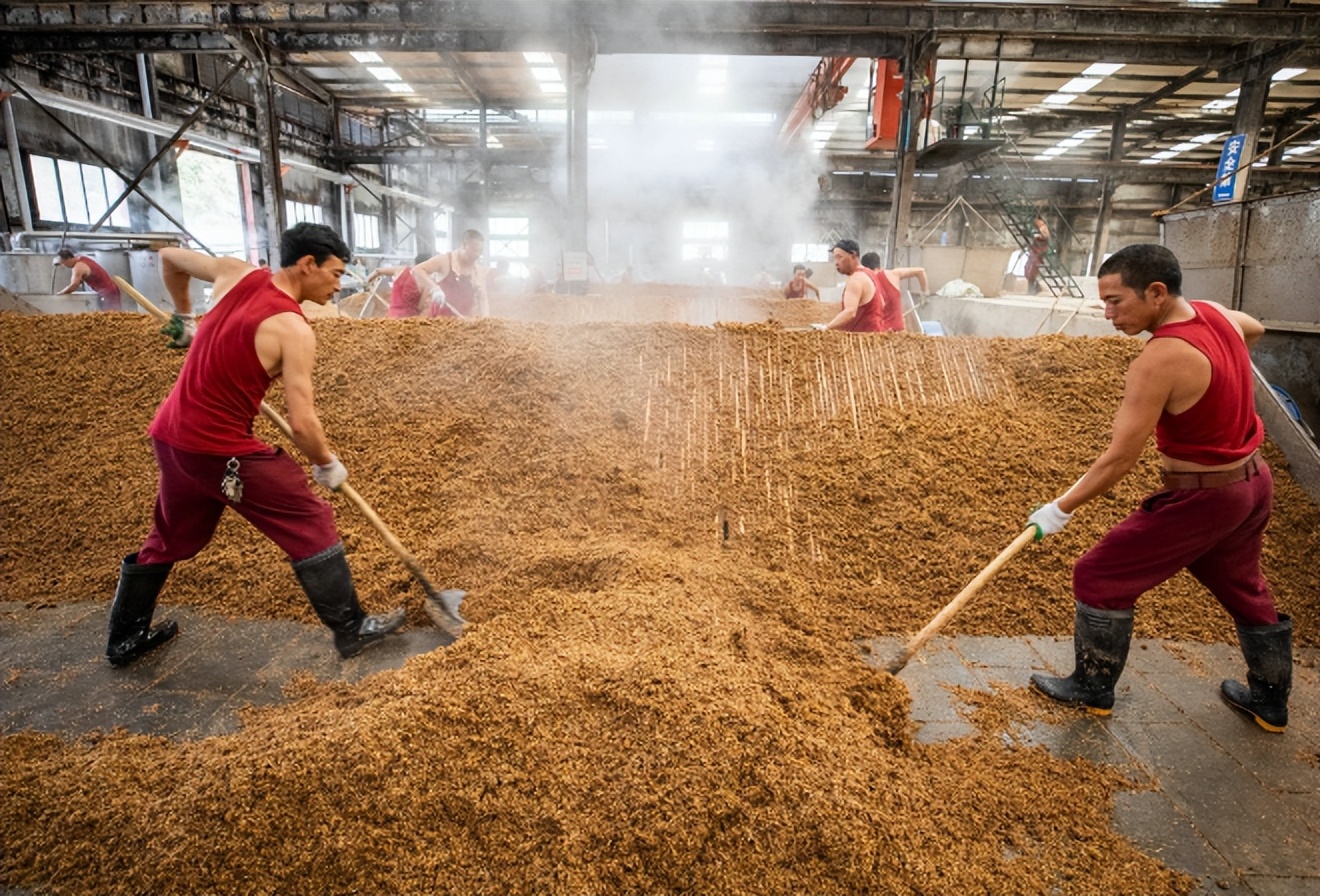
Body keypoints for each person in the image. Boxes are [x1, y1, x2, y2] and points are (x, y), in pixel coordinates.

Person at [105, 222, 407, 667]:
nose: (339, 285)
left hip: (171, 436)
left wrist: (186, 317)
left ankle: (124, 639)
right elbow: (303, 422)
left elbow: (169, 258)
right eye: (336, 273)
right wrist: (326, 464)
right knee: (310, 517)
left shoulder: (234, 273)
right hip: (217, 445)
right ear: (307, 264)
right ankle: (352, 629)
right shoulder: (293, 329)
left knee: (172, 535)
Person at [1027, 243, 1290, 732]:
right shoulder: (1217, 316)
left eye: (1116, 301)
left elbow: (1121, 458)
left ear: (1156, 292)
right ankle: (1271, 703)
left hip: (1203, 496)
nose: (1107, 314)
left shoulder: (1161, 357)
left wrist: (1059, 509)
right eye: (1103, 302)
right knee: (1244, 585)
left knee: (1099, 574)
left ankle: (1092, 689)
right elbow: (1255, 327)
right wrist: (1221, 376)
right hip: (1253, 482)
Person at [821, 240, 926, 332]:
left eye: (839, 257)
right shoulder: (871, 275)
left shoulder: (856, 279)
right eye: (834, 258)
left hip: (865, 338)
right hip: (883, 333)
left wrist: (827, 327)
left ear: (853, 256)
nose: (836, 263)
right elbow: (882, 303)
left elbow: (850, 312)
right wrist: (925, 293)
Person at [54, 247, 123, 312]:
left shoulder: (78, 266)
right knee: (114, 314)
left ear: (68, 259)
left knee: (111, 316)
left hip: (107, 293)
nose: (64, 266)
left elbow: (74, 285)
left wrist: (62, 293)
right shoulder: (82, 258)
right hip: (111, 289)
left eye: (64, 263)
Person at [1024, 215, 1050, 295]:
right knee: (1028, 269)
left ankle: (1033, 289)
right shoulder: (1036, 227)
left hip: (1039, 250)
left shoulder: (1042, 226)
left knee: (1032, 269)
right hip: (1035, 250)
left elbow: (1046, 237)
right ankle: (1033, 288)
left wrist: (1038, 237)